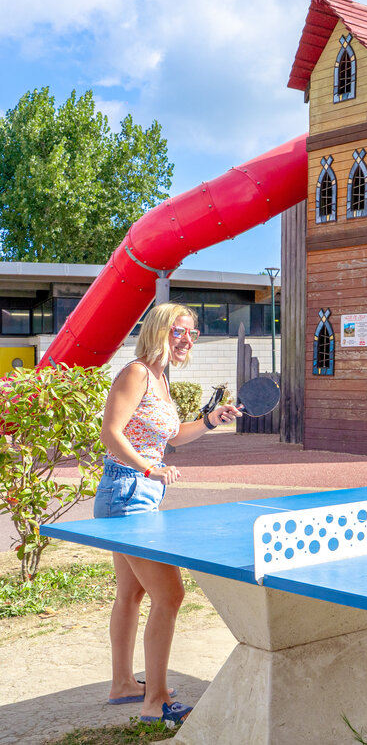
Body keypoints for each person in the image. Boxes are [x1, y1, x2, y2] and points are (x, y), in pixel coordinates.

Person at [95, 302, 241, 725]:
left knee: (132, 593)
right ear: (159, 330)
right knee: (170, 594)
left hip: (133, 493)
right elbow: (111, 433)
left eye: (192, 333)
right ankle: (155, 701)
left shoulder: (160, 378)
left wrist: (211, 420)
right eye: (179, 331)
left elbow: (174, 436)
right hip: (128, 491)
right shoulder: (137, 372)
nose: (187, 340)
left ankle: (123, 684)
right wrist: (149, 467)